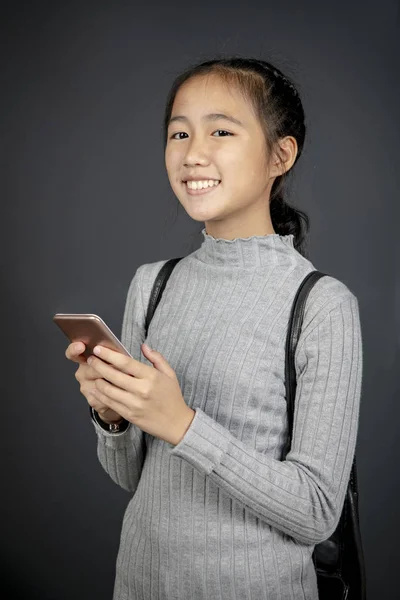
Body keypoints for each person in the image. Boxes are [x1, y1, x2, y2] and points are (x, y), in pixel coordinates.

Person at [65, 56, 363, 600]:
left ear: (281, 154)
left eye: (220, 130)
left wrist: (182, 423)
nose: (192, 153)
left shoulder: (321, 305)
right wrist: (111, 416)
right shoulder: (152, 284)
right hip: (137, 583)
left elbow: (318, 511)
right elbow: (131, 477)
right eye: (179, 132)